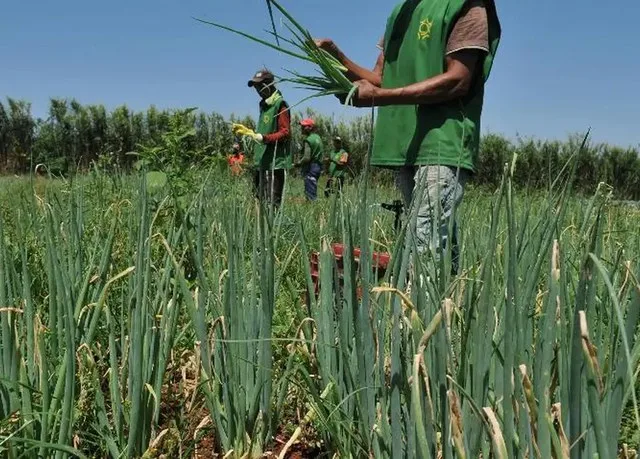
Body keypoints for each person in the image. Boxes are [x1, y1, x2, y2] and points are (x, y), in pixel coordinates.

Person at [315, 0, 501, 273]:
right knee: (430, 238)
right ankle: (449, 307)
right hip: (405, 143)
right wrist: (335, 57)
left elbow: (458, 80)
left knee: (425, 242)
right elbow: (381, 78)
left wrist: (380, 97)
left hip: (442, 142)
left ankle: (417, 314)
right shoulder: (400, 12)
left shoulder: (466, 5)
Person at [233, 69, 291, 207]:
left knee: (271, 205)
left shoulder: (279, 104)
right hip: (261, 161)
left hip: (274, 163)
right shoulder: (264, 105)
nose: (258, 90)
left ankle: (273, 228)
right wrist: (248, 133)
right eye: (256, 87)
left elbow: (285, 132)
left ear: (269, 84)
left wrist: (263, 138)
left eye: (260, 85)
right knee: (258, 201)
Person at [294, 118, 324, 201]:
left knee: (310, 190)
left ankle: (313, 207)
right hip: (318, 166)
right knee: (313, 186)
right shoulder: (317, 137)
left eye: (304, 126)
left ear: (310, 127)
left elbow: (307, 157)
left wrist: (298, 164)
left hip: (311, 166)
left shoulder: (308, 140)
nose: (302, 128)